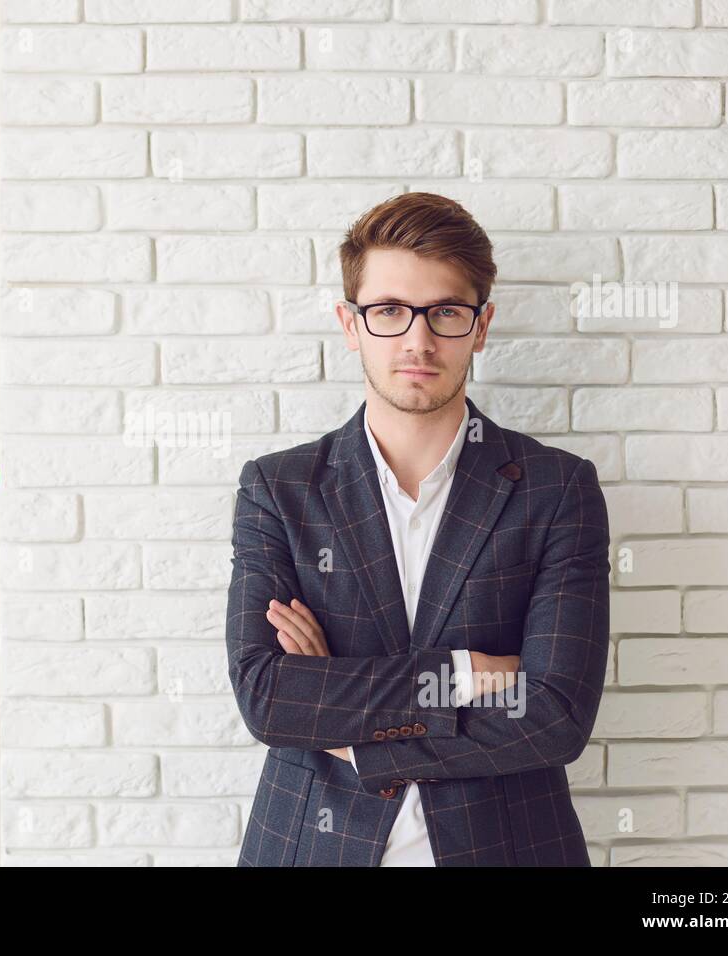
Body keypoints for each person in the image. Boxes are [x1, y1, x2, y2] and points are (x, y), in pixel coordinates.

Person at [227, 192, 611, 866]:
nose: (418, 339)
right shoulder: (278, 489)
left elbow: (556, 717)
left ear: (481, 325)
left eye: (446, 313)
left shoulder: (557, 489)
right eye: (389, 311)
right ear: (351, 324)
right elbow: (268, 698)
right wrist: (465, 674)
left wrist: (348, 725)